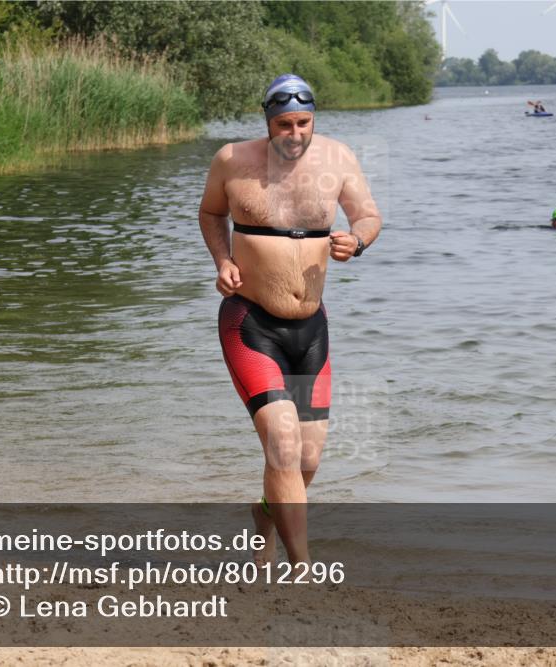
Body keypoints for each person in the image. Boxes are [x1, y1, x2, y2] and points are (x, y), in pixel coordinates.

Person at [198, 75, 381, 565]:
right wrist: (222, 261)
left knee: (306, 459)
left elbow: (367, 215)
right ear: (267, 121)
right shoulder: (232, 160)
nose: (295, 133)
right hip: (250, 324)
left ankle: (264, 516)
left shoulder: (338, 158)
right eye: (284, 124)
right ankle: (301, 569)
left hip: (310, 329)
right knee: (281, 441)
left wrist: (357, 240)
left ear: (313, 118)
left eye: (303, 123)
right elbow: (211, 214)